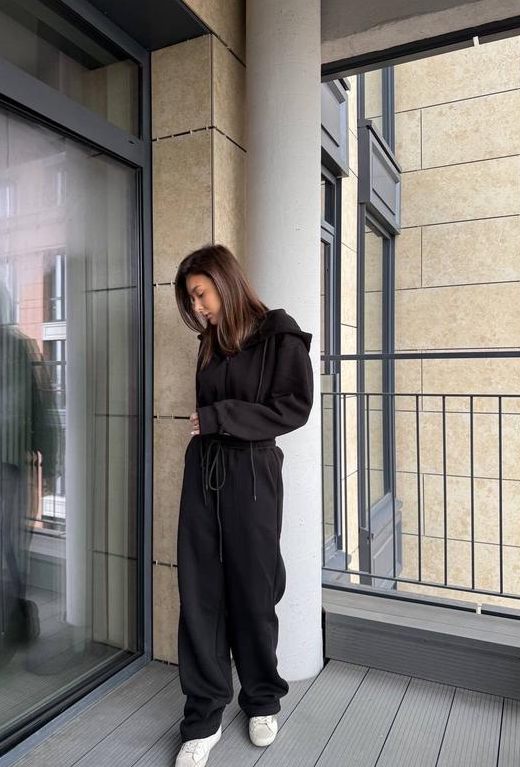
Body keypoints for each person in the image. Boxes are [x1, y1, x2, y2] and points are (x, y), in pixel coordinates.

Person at [173, 244, 314, 766]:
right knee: (200, 591)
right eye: (192, 300)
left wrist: (220, 417)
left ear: (225, 282)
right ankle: (204, 716)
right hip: (204, 472)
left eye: (201, 295)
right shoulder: (209, 343)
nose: (198, 308)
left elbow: (293, 408)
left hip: (253, 473)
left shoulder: (279, 334)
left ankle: (261, 699)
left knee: (255, 587)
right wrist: (211, 425)